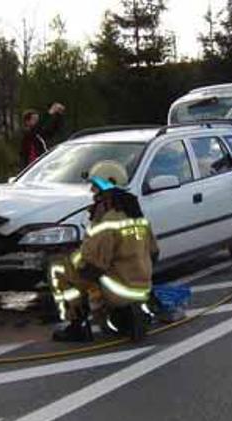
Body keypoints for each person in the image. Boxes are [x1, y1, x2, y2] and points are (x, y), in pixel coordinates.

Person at [50, 161, 158, 342]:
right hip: (142, 287)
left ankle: (77, 326)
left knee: (58, 268)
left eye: (95, 185)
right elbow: (154, 252)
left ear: (106, 186)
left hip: (117, 290)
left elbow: (92, 264)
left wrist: (74, 257)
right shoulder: (137, 216)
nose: (92, 190)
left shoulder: (107, 222)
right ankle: (130, 312)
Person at [20, 102, 65, 168]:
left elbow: (52, 130)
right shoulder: (26, 134)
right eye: (34, 119)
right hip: (31, 166)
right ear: (27, 122)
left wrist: (58, 115)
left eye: (37, 119)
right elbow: (37, 128)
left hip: (41, 164)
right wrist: (49, 113)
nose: (37, 122)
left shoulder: (38, 134)